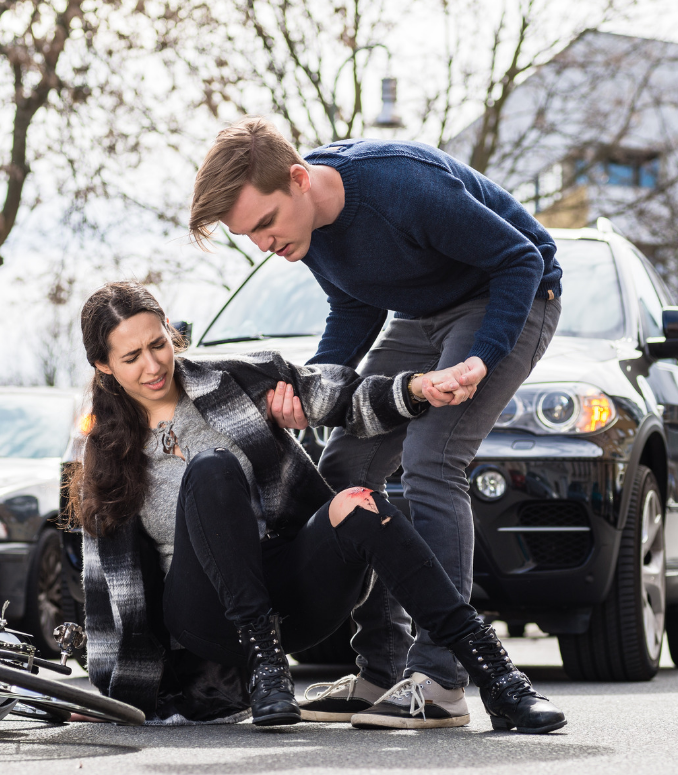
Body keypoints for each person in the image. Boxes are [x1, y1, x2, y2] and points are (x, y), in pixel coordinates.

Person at [188, 117, 562, 727]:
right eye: (247, 233)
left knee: (432, 458)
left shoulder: (400, 186)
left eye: (265, 223)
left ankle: (440, 678)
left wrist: (481, 357)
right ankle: (383, 670)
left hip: (508, 298)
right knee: (344, 468)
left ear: (299, 179)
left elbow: (519, 259)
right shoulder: (306, 228)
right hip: (420, 317)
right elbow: (353, 304)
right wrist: (312, 386)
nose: (262, 244)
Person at [74, 281, 564, 733]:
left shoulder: (236, 380)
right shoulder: (105, 450)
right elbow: (108, 587)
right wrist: (115, 694)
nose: (153, 366)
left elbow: (341, 397)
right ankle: (266, 668)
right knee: (212, 469)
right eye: (132, 357)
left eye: (158, 344)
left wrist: (417, 388)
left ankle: (497, 675)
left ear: (171, 332)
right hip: (205, 620)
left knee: (358, 501)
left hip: (292, 595)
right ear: (104, 366)